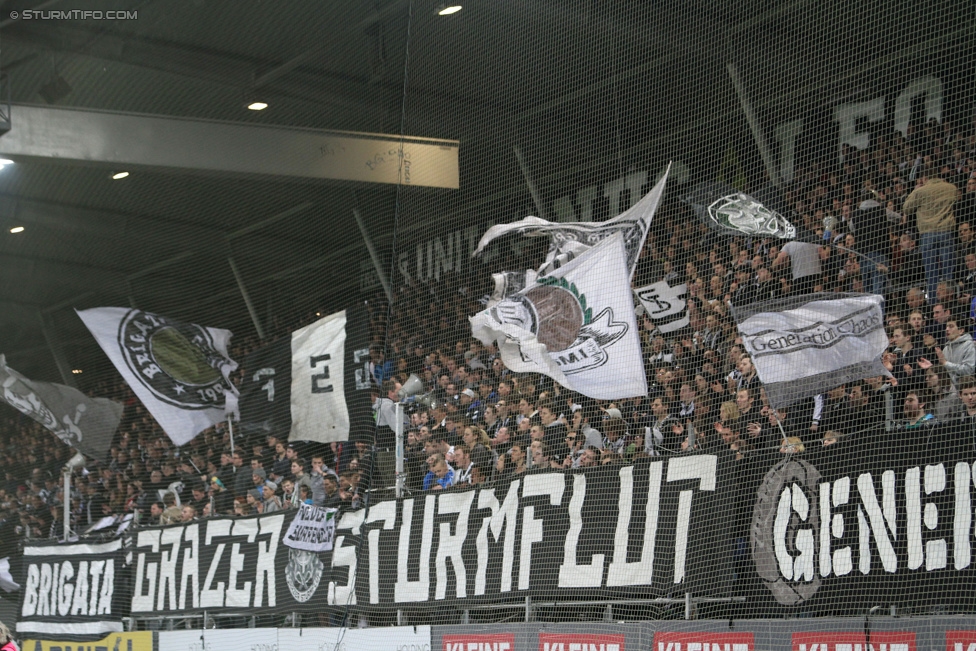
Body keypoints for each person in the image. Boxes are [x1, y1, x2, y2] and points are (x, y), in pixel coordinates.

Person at [903, 164, 958, 303]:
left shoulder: (921, 191)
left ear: (924, 177)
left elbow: (906, 208)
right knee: (948, 271)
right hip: (946, 232)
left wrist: (915, 190)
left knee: (931, 273)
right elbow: (958, 200)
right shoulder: (950, 187)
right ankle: (950, 302)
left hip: (927, 235)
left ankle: (934, 304)